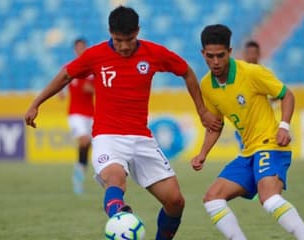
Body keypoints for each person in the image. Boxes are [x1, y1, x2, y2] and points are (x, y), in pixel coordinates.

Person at [25, 6, 221, 240]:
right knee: (115, 178)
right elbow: (66, 74)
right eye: (118, 40)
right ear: (110, 32)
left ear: (137, 31)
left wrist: (201, 110)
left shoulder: (153, 53)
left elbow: (186, 72)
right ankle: (120, 218)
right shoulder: (95, 55)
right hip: (108, 137)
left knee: (175, 201)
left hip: (142, 138)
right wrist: (36, 102)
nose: (125, 46)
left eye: (129, 39)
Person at [191, 24, 304, 240]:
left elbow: (287, 95)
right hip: (248, 152)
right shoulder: (207, 86)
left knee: (269, 198)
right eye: (210, 56)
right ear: (203, 54)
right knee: (212, 198)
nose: (216, 62)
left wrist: (284, 126)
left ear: (229, 52)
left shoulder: (251, 73)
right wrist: (203, 153)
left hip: (270, 144)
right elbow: (215, 125)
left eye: (221, 55)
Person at [66, 38, 94, 194]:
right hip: (75, 113)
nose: (81, 50)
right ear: (75, 49)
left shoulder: (92, 69)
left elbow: (99, 88)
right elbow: (61, 82)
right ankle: (78, 175)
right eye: (78, 47)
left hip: (91, 113)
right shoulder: (70, 68)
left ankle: (79, 174)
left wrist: (93, 89)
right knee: (84, 140)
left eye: (83, 47)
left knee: (88, 146)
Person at [234, 40, 262, 151]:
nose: (251, 56)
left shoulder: (264, 74)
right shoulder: (238, 74)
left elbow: (277, 95)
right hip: (243, 125)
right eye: (248, 53)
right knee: (247, 153)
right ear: (244, 55)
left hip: (261, 125)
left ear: (259, 54)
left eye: (254, 53)